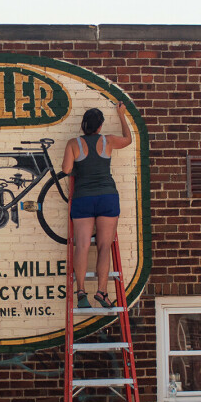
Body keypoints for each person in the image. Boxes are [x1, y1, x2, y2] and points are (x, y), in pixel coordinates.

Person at [60, 101, 132, 308]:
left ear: (83, 126)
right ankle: (102, 292)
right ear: (100, 126)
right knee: (103, 246)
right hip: (107, 197)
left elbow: (66, 169)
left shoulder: (74, 144)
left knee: (81, 246)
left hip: (83, 197)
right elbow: (127, 140)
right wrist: (121, 114)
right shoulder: (107, 141)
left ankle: (81, 290)